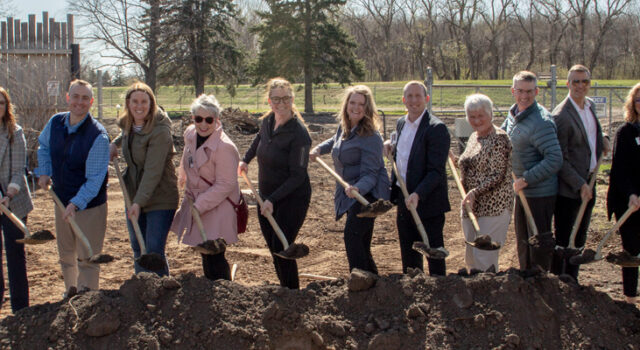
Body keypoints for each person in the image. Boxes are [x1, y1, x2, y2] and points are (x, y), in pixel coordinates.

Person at [35, 79, 110, 297]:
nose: (79, 102)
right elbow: (44, 147)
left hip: (89, 206)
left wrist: (76, 203)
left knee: (87, 256)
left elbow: (95, 179)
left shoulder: (98, 135)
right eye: (75, 96)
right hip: (61, 198)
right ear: (68, 98)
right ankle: (71, 295)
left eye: (85, 98)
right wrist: (45, 171)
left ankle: (86, 301)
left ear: (91, 102)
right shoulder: (56, 122)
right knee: (66, 253)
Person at [238, 77, 311, 289]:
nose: (281, 103)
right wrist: (245, 159)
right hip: (267, 195)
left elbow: (298, 176)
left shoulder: (300, 134)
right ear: (269, 101)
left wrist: (272, 199)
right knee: (273, 245)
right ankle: (285, 289)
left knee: (283, 246)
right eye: (276, 99)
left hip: (292, 198)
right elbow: (259, 139)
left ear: (292, 99)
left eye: (285, 98)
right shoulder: (268, 121)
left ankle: (292, 294)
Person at [310, 85, 389, 274]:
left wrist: (358, 188)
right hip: (351, 191)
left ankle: (360, 279)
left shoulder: (371, 136)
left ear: (367, 108)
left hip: (368, 195)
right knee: (361, 241)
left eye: (361, 104)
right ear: (346, 105)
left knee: (352, 236)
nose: (356, 107)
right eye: (352, 102)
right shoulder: (346, 127)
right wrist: (319, 149)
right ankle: (373, 281)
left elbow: (371, 173)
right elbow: (335, 141)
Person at [110, 82, 179, 277]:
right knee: (138, 248)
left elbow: (152, 172)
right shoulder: (129, 125)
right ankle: (142, 292)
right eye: (135, 101)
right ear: (128, 103)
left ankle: (161, 294)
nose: (139, 106)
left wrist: (138, 203)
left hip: (159, 196)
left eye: (144, 102)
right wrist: (114, 144)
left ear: (152, 104)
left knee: (153, 250)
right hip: (134, 193)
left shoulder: (160, 131)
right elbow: (130, 136)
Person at [170, 94, 241, 281]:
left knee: (215, 252)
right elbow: (188, 157)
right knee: (204, 250)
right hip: (197, 200)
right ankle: (211, 290)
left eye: (209, 119)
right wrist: (183, 175)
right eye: (198, 119)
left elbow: (226, 184)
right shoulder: (190, 134)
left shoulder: (225, 147)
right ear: (192, 118)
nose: (203, 124)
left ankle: (223, 291)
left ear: (217, 120)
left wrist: (200, 205)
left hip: (217, 204)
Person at [384, 81, 450, 276]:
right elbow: (402, 152)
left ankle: (438, 292)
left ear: (426, 99)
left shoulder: (436, 129)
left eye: (418, 96)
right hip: (404, 199)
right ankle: (414, 291)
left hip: (427, 202)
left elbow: (436, 171)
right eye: (409, 96)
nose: (414, 101)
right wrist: (390, 144)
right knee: (409, 253)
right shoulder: (401, 123)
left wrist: (418, 194)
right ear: (404, 100)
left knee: (434, 252)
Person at [551, 65, 609, 280]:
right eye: (576, 81)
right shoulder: (562, 115)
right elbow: (561, 158)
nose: (580, 85)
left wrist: (603, 141)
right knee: (565, 239)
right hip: (570, 188)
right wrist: (579, 184)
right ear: (568, 84)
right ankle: (559, 282)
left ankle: (572, 281)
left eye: (584, 81)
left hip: (590, 180)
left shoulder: (590, 107)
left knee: (580, 239)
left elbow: (590, 135)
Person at [501, 71, 562, 271]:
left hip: (539, 194)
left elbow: (554, 159)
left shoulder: (541, 122)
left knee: (538, 245)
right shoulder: (513, 116)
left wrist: (526, 179)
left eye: (529, 91)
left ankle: (542, 285)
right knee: (523, 242)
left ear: (536, 91)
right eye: (520, 91)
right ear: (512, 91)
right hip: (521, 191)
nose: (524, 96)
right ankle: (526, 286)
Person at [457, 94, 513, 272]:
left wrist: (474, 192)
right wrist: (455, 160)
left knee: (484, 256)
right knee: (471, 255)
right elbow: (474, 165)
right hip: (471, 206)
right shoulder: (475, 136)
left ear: (490, 114)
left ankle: (489, 294)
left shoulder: (499, 138)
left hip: (493, 206)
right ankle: (474, 294)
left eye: (481, 115)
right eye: (472, 116)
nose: (476, 120)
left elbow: (497, 175)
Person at [607, 82, 640, 305]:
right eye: (638, 100)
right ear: (632, 104)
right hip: (628, 201)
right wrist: (631, 194)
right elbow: (619, 169)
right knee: (631, 252)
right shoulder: (625, 132)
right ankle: (630, 300)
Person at [0, 87, 33, 312]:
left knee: (15, 253)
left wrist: (8, 194)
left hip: (14, 201)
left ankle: (20, 309)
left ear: (7, 107)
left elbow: (18, 169)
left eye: (1, 103)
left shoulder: (15, 132)